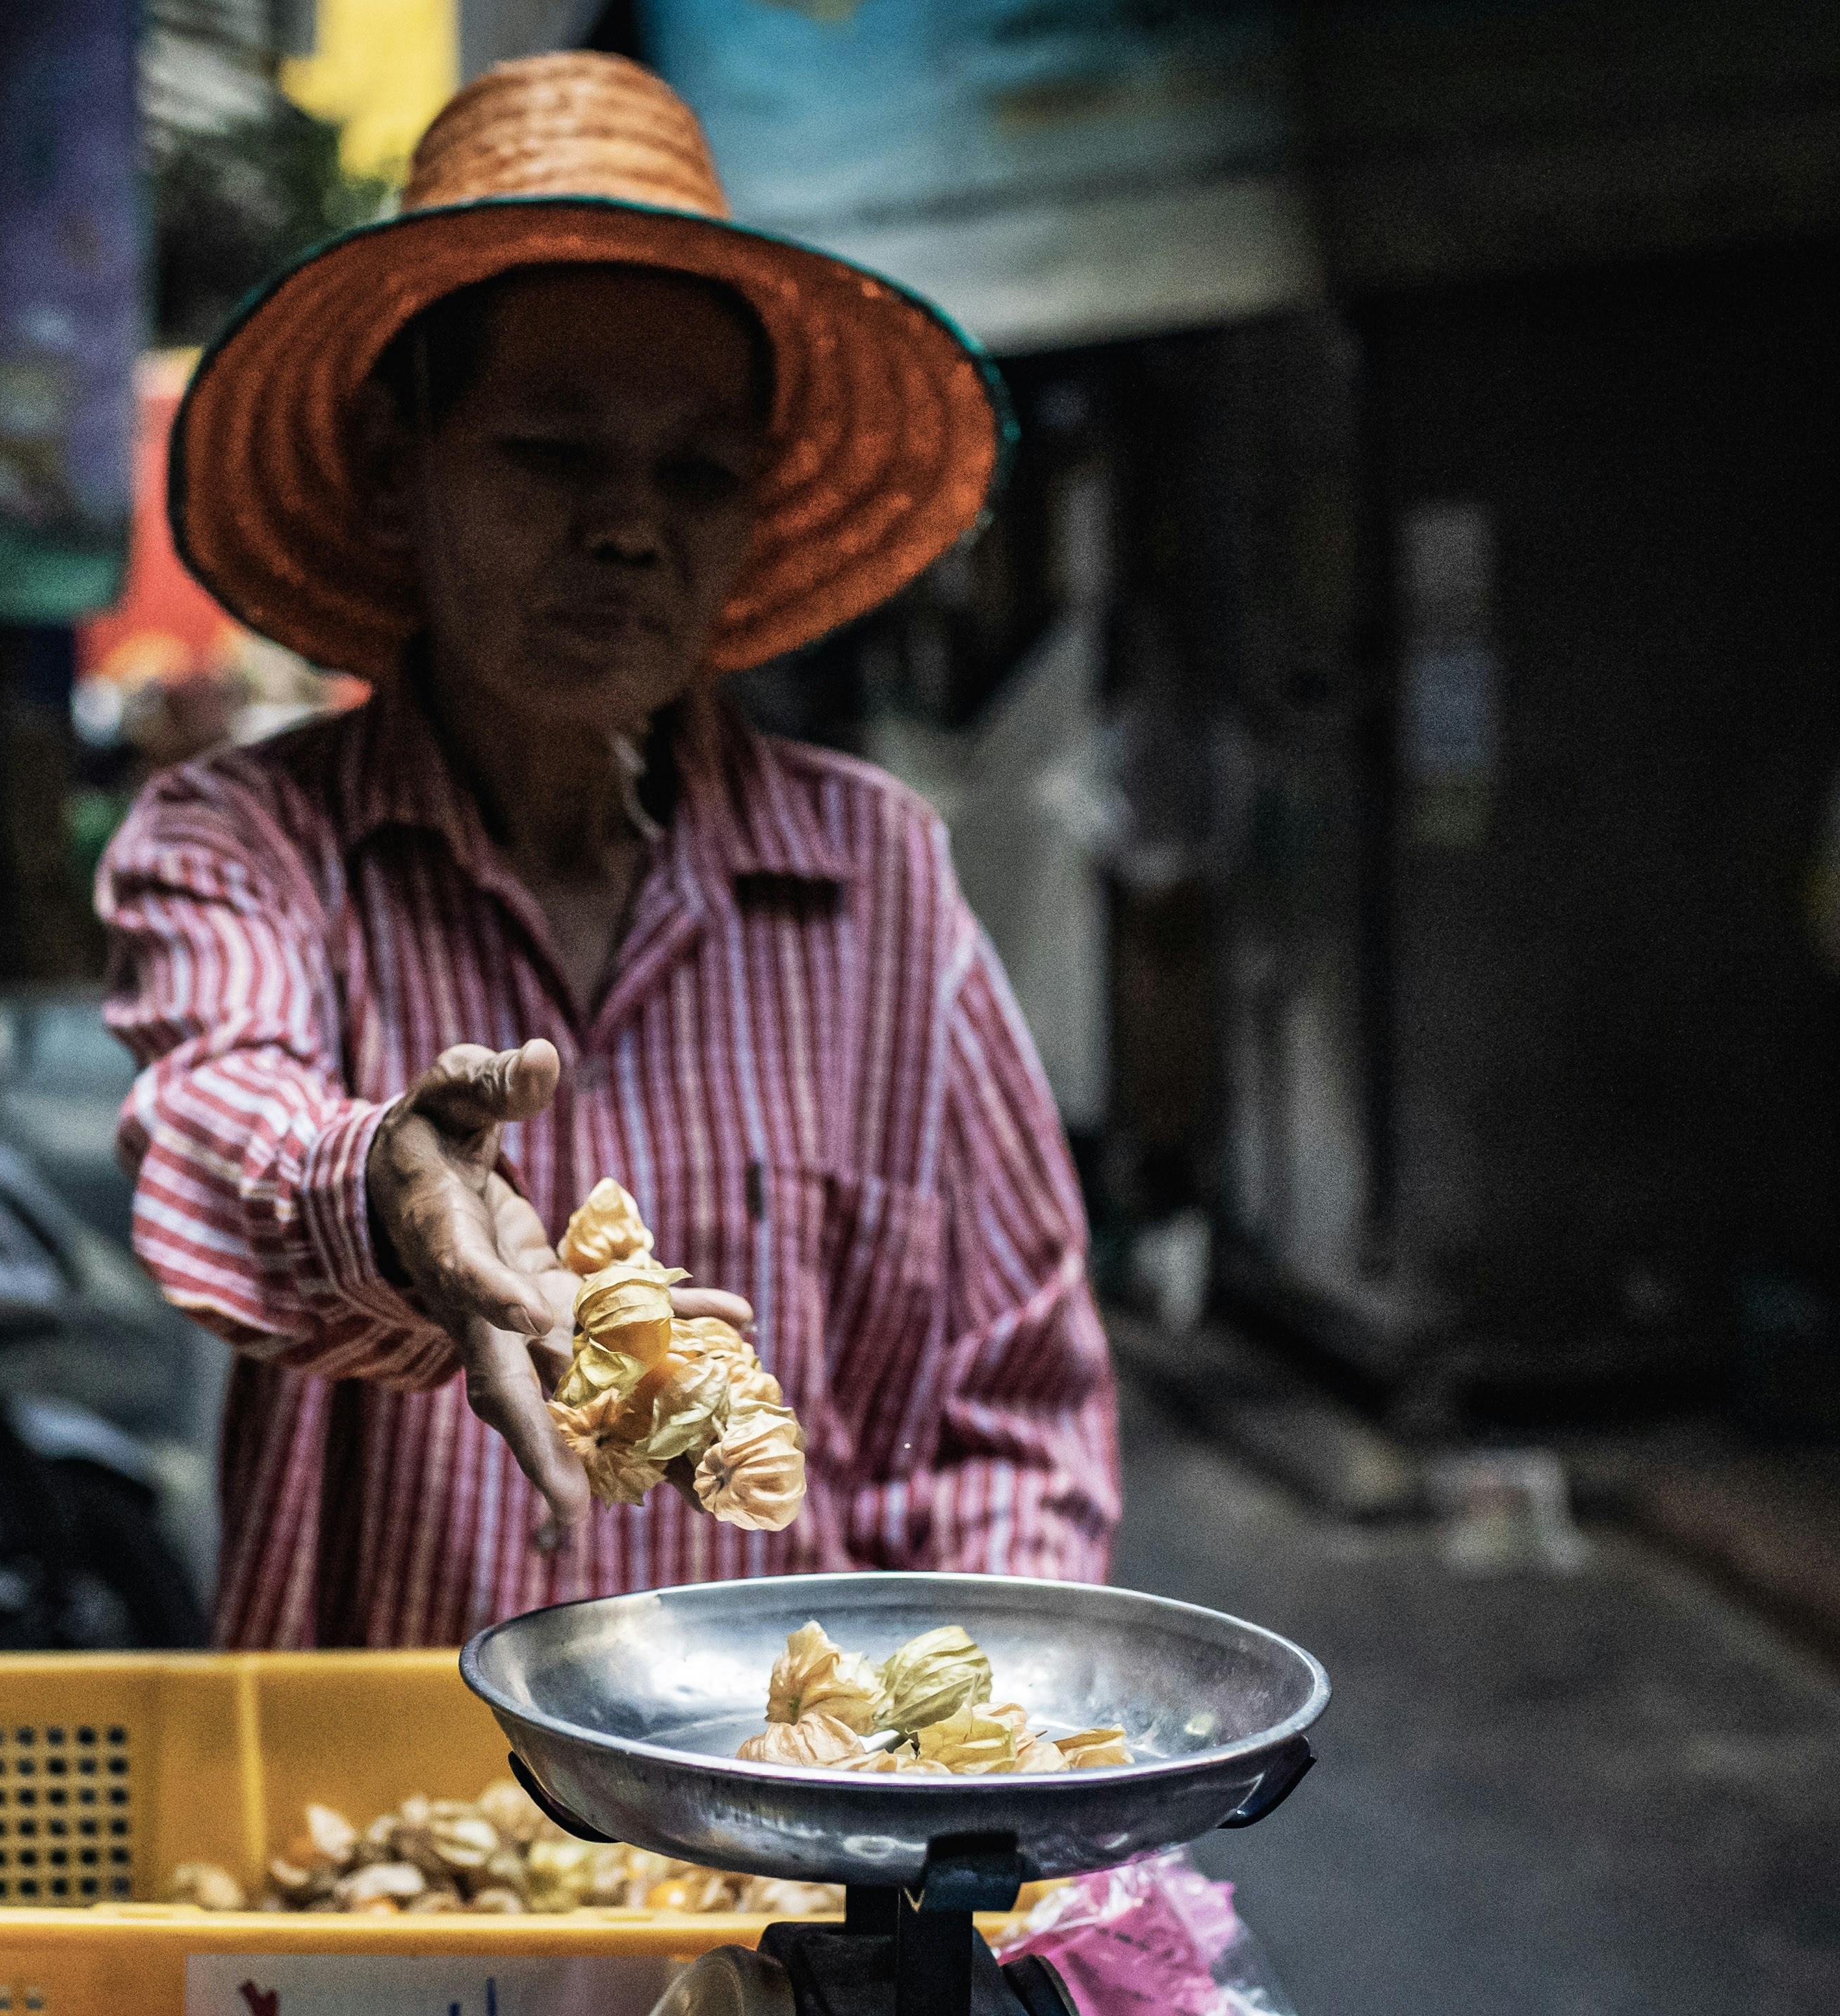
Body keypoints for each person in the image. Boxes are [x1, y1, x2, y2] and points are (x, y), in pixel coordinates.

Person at [102, 52, 1113, 1649]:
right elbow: (217, 1118)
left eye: (697, 472)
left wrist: (955, 1794)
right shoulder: (247, 843)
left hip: (795, 1857)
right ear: (391, 463)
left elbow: (1012, 1411)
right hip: (393, 1851)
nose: (630, 527)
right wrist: (390, 1193)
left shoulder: (880, 877)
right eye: (552, 452)